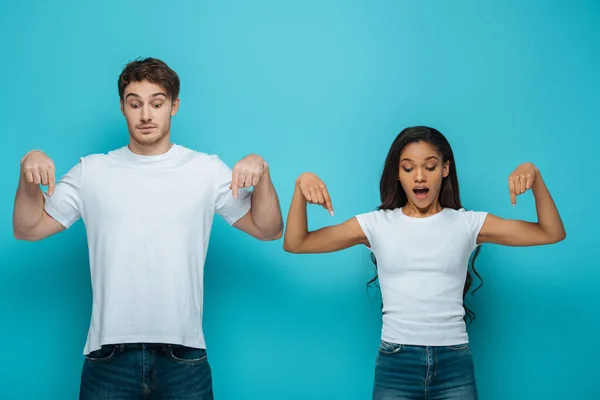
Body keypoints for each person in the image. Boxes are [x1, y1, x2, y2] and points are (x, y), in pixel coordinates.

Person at [13, 57, 283, 400]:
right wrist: (27, 169)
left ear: (174, 106)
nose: (145, 115)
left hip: (183, 357)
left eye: (156, 103)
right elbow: (28, 228)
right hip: (108, 356)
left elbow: (269, 228)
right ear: (123, 107)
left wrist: (262, 172)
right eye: (135, 103)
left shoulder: (204, 170)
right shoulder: (91, 172)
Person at [283, 126, 565, 399]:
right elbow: (296, 243)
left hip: (454, 362)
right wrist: (301, 184)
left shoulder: (467, 223)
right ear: (397, 173)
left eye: (429, 167)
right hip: (396, 363)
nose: (419, 176)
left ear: (445, 169)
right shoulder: (375, 224)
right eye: (408, 168)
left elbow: (551, 232)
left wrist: (535, 177)